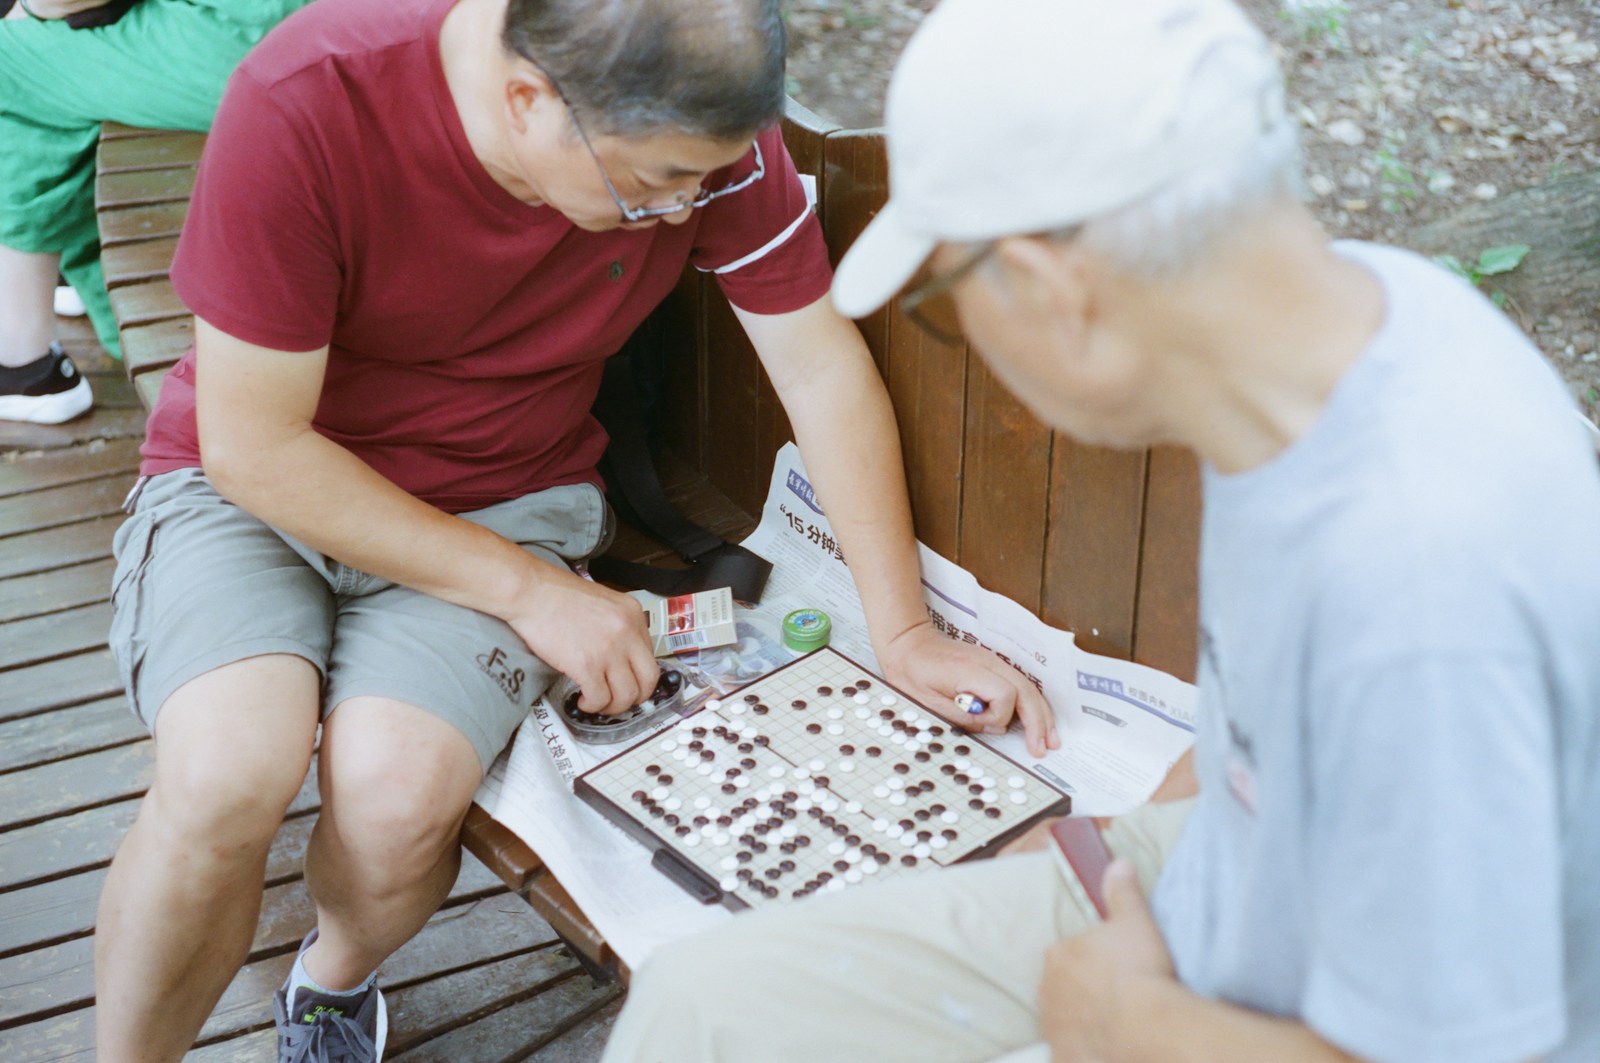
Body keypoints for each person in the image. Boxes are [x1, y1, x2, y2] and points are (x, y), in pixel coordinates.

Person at [600, 0, 1600, 1060]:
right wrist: (1102, 849)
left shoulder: (1425, 589)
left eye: (944, 301)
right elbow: (1262, 717)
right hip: (1229, 868)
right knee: (701, 1009)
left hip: (1279, 1014)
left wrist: (1133, 1030)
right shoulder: (1350, 327)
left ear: (1046, 286)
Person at [95, 0, 1057, 1059]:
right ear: (528, 103)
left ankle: (330, 980)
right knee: (227, 771)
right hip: (259, 490)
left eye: (703, 178)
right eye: (653, 186)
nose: (689, 202)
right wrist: (531, 592)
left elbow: (820, 369)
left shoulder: (700, 128)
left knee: (397, 798)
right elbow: (255, 448)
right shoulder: (307, 96)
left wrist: (906, 630)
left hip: (503, 492)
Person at [0, 0, 309, 424]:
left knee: (8, 55)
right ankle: (87, 289)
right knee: (56, 54)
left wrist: (29, 7)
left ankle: (25, 362)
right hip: (335, 25)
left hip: (258, 39)